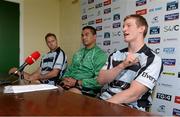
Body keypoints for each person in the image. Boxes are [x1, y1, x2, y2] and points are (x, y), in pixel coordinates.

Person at [97, 14, 163, 111]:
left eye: (128, 25)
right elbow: (100, 80)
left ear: (141, 29)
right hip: (105, 101)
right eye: (123, 26)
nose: (123, 29)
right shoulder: (116, 54)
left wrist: (104, 107)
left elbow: (133, 94)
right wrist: (122, 65)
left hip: (130, 108)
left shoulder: (152, 58)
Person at [59, 26, 107, 97]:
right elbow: (69, 70)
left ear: (94, 37)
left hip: (86, 88)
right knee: (54, 92)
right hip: (69, 84)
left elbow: (99, 82)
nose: (83, 37)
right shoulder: (78, 53)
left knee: (68, 96)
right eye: (82, 35)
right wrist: (65, 79)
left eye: (87, 35)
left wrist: (77, 82)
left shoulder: (100, 55)